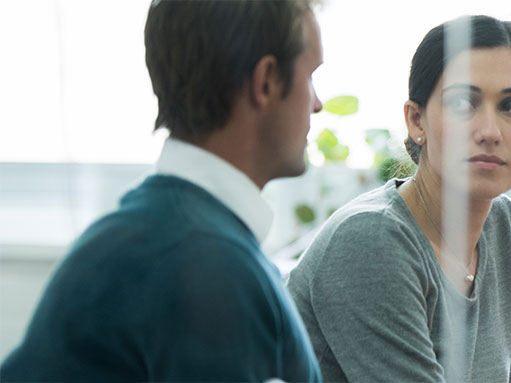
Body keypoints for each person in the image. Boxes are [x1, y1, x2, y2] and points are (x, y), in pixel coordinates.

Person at [0, 1, 324, 381]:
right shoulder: (206, 266)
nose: (317, 104)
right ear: (266, 81)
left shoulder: (154, 230)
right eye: (311, 77)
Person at [283, 15, 511, 382]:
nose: (489, 131)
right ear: (416, 120)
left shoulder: (510, 229)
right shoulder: (371, 239)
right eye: (463, 103)